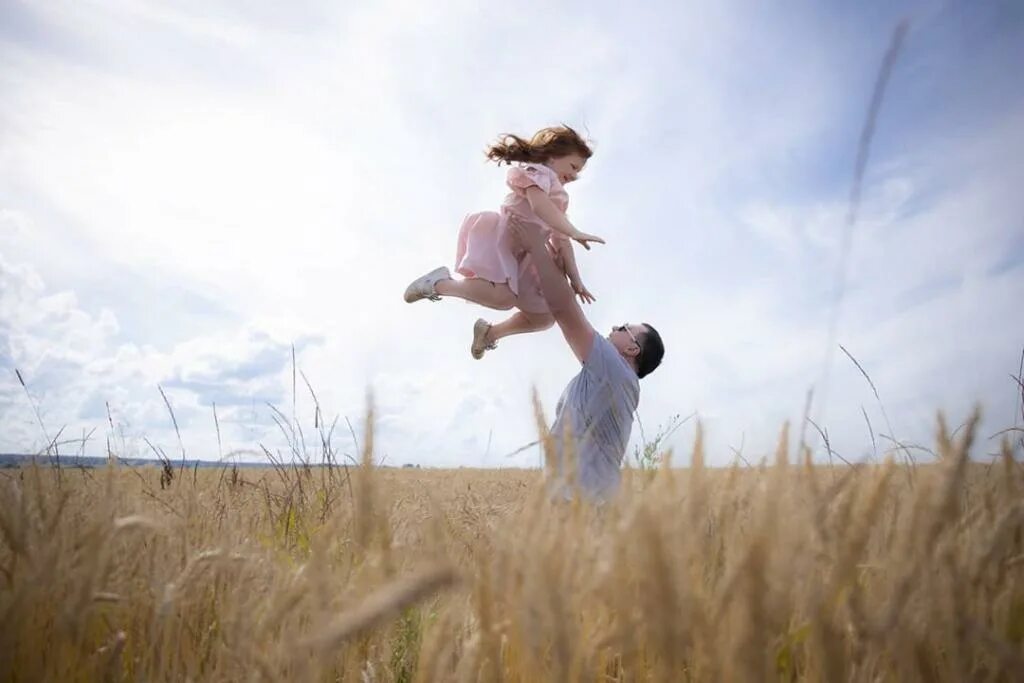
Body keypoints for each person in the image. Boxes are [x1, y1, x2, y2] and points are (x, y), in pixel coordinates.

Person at [403, 126, 605, 359]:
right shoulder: (538, 173)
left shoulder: (560, 198)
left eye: (578, 172)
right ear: (554, 155)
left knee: (544, 316)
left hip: (528, 255)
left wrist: (576, 281)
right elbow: (540, 205)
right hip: (506, 240)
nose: (574, 175)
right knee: (503, 298)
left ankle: (490, 334)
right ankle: (438, 283)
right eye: (573, 166)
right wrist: (574, 230)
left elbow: (562, 242)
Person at [507, 214, 665, 502]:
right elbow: (562, 304)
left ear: (632, 350)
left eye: (625, 329)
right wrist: (556, 268)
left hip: (586, 506)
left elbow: (566, 311)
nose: (616, 327)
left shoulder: (615, 370)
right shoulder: (605, 376)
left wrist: (536, 248)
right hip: (575, 503)